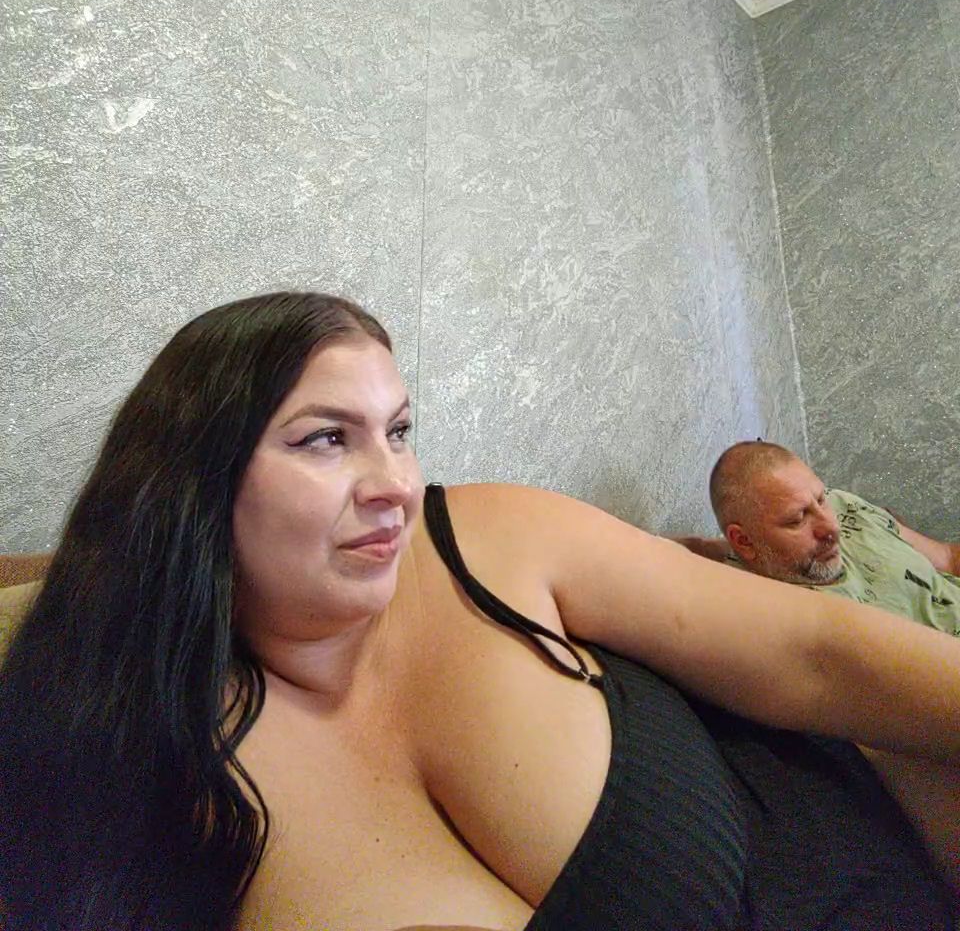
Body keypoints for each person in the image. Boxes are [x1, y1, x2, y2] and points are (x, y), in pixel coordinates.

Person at [1, 293, 959, 931]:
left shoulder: (484, 537)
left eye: (399, 431)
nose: (394, 483)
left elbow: (812, 649)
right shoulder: (133, 755)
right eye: (327, 439)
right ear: (191, 482)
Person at [679, 440, 959, 636]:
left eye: (820, 499)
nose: (831, 527)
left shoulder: (843, 505)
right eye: (798, 519)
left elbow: (947, 558)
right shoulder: (772, 614)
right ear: (744, 542)